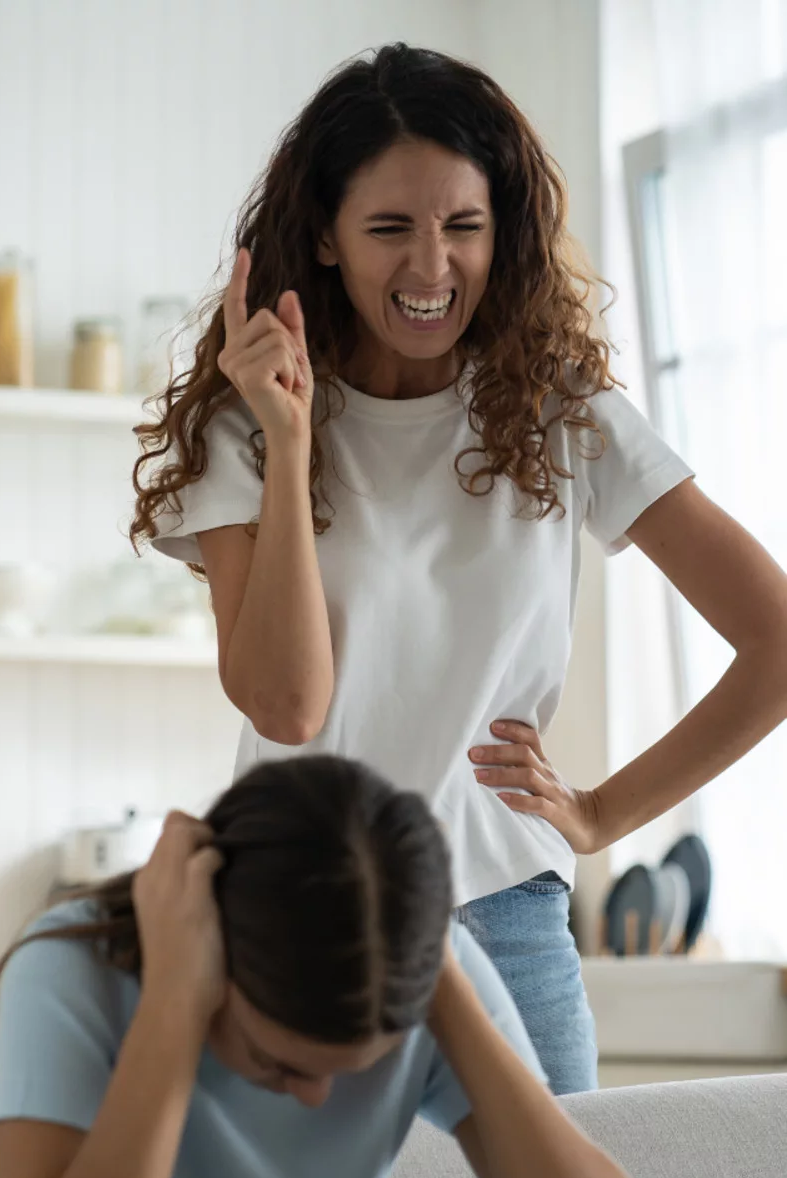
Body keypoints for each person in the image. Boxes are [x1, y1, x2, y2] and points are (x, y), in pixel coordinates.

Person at [131, 43, 787, 1096]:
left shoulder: (562, 412)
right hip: (301, 920)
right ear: (328, 240)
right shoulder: (244, 429)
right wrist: (293, 443)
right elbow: (287, 706)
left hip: (508, 926)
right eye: (390, 228)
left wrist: (602, 814)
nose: (432, 268)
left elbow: (777, 641)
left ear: (504, 231)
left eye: (464, 227)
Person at [0, 755, 637, 1178]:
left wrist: (445, 979)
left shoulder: (408, 973)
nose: (314, 1099)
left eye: (354, 1069)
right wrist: (173, 1001)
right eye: (277, 1063)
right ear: (215, 945)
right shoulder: (75, 966)